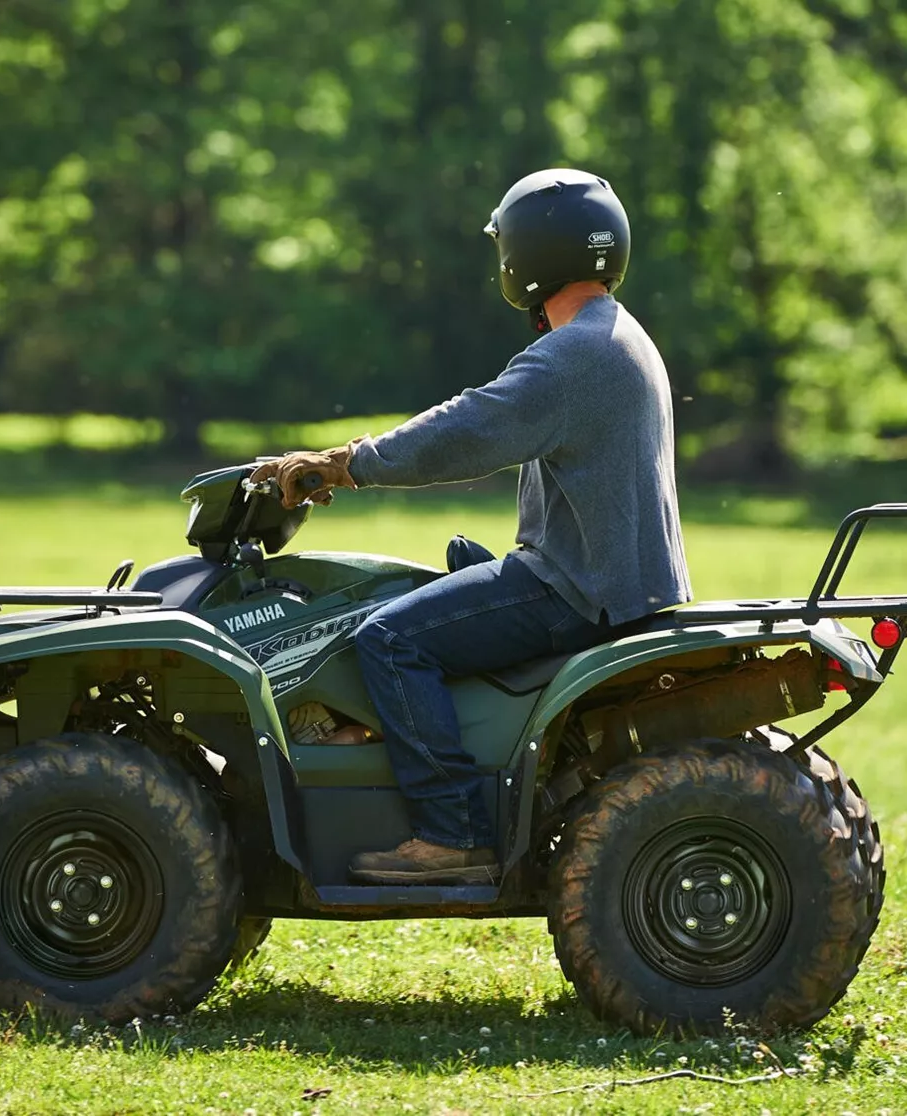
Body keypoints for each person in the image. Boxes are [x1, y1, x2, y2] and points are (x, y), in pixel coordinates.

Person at [250, 168, 690, 885]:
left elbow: (466, 429)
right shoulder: (618, 334)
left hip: (575, 588)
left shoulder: (574, 354)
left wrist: (347, 464)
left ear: (527, 258)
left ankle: (450, 832)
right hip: (609, 576)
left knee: (388, 638)